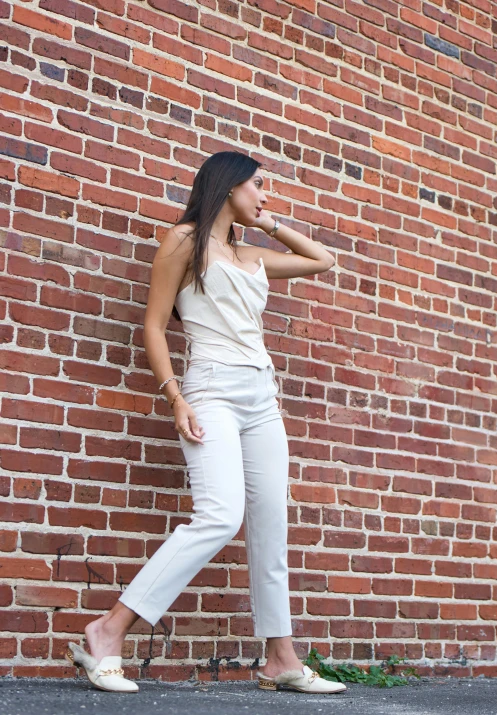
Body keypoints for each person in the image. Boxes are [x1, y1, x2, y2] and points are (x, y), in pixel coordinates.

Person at [66, 150, 346, 695]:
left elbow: (322, 261)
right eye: (257, 186)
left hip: (261, 395)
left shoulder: (249, 255)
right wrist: (175, 398)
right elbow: (153, 325)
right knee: (219, 514)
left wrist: (269, 224)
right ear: (229, 184)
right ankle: (107, 630)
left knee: (271, 523)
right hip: (210, 387)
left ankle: (280, 658)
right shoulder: (183, 242)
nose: (265, 196)